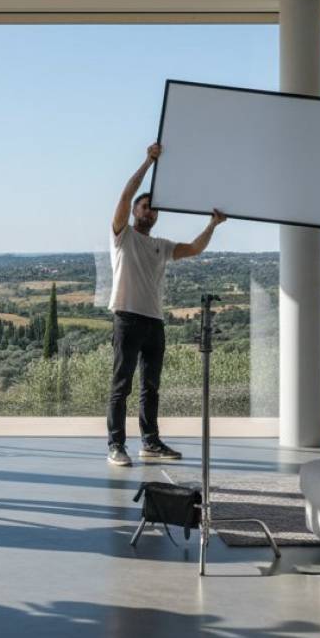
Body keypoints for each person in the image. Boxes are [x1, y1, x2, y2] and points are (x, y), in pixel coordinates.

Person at [106, 143, 226, 467]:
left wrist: (212, 225)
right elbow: (123, 196)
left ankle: (150, 442)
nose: (150, 211)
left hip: (154, 322)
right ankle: (116, 446)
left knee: (151, 388)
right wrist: (147, 162)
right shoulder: (122, 236)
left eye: (154, 208)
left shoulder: (161, 245)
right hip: (127, 319)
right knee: (121, 386)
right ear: (134, 212)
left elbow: (193, 249)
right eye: (145, 207)